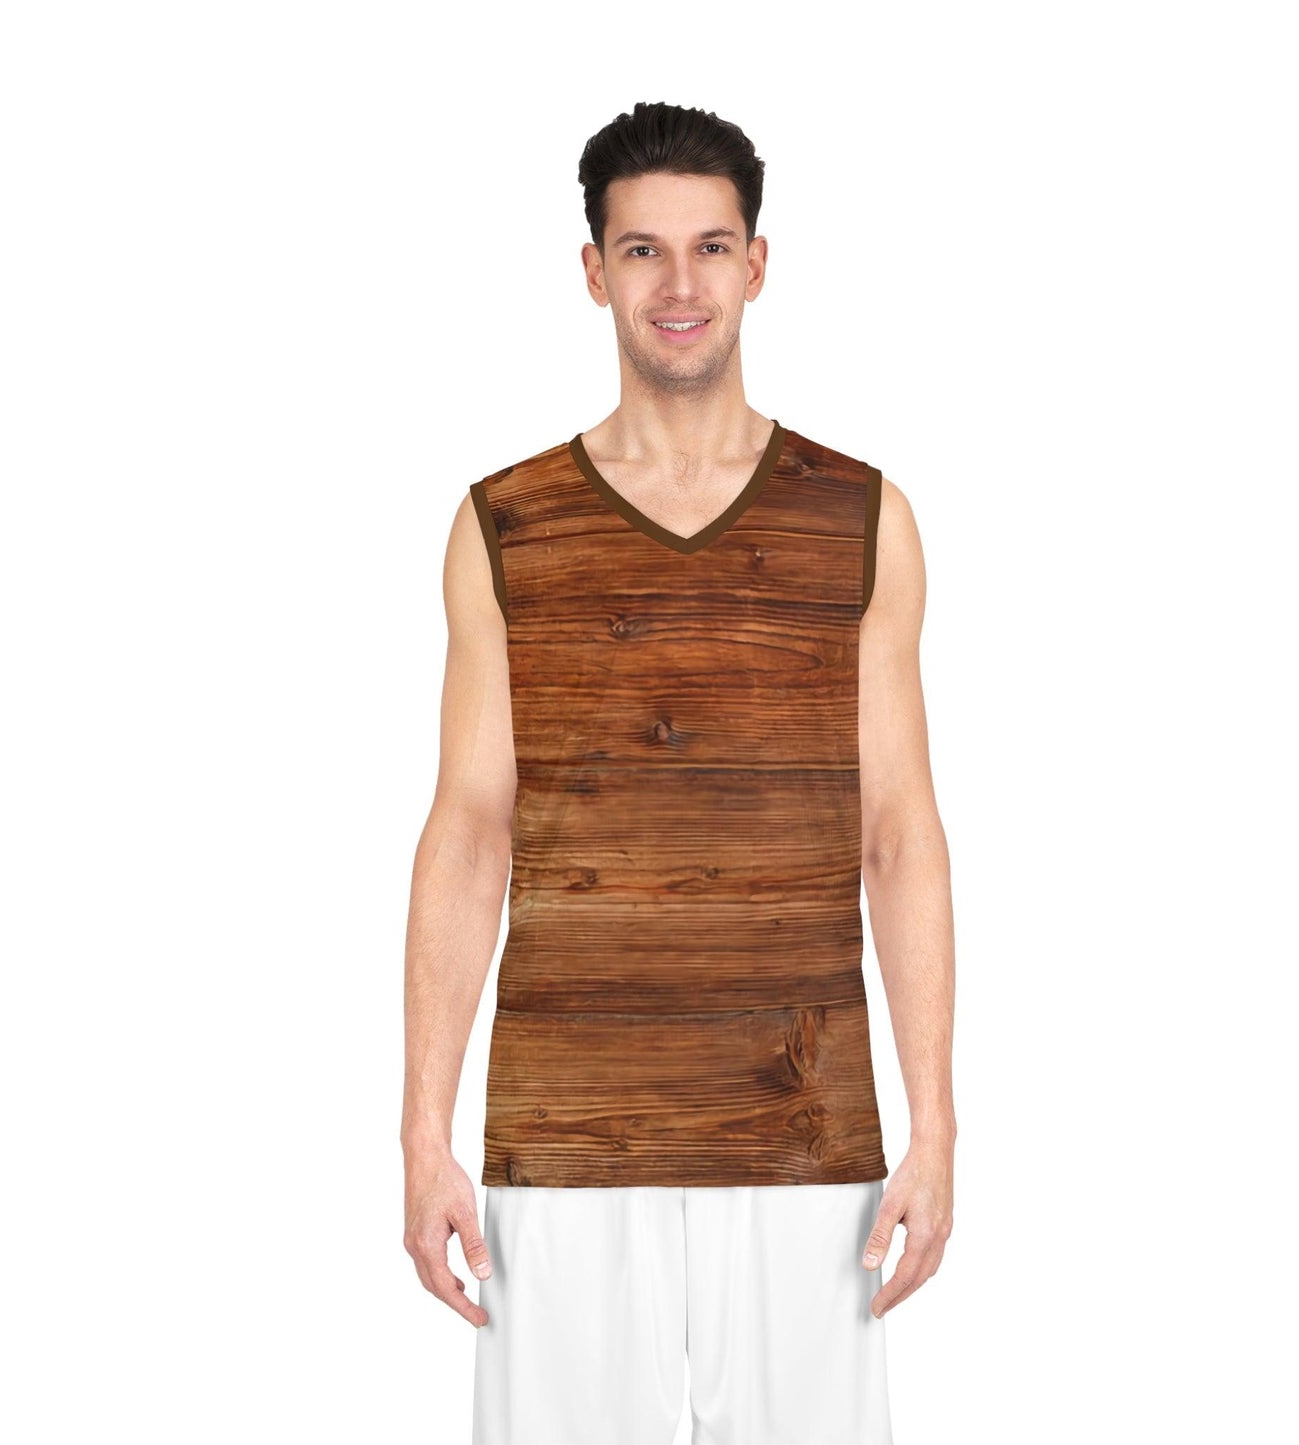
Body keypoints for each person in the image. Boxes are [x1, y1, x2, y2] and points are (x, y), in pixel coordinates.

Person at [400, 100, 956, 1445]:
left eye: (709, 246)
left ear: (756, 264)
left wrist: (934, 1124)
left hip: (804, 1137)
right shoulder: (504, 524)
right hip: (565, 1135)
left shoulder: (860, 516)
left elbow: (899, 832)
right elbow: (469, 831)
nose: (680, 283)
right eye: (642, 250)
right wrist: (423, 1131)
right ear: (593, 271)